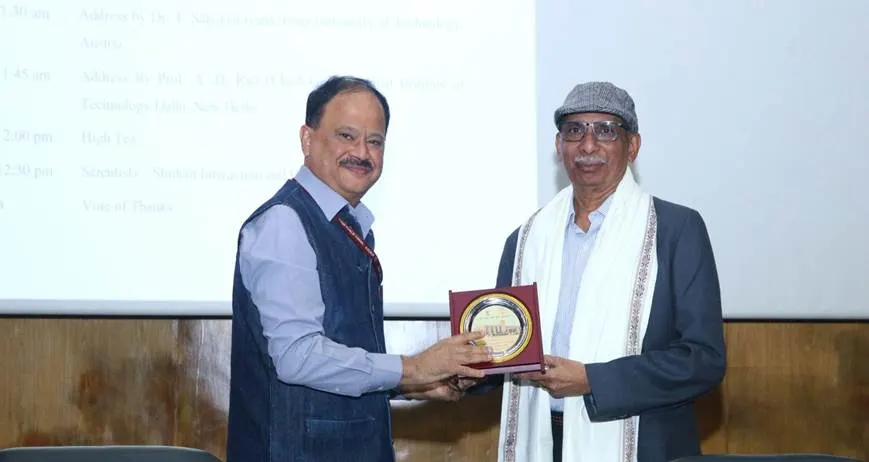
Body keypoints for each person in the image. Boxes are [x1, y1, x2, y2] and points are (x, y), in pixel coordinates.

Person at [226, 75, 492, 462]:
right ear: (307, 139)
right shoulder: (285, 223)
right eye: (346, 136)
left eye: (375, 141)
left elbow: (340, 359)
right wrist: (413, 369)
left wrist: (415, 386)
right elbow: (297, 356)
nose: (362, 152)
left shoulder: (349, 226)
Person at [474, 81, 726, 462]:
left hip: (642, 445)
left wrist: (592, 380)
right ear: (559, 147)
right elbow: (508, 351)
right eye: (574, 131)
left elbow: (703, 360)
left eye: (606, 130)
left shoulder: (675, 230)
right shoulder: (525, 240)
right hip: (544, 443)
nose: (588, 146)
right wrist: (465, 372)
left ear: (633, 146)